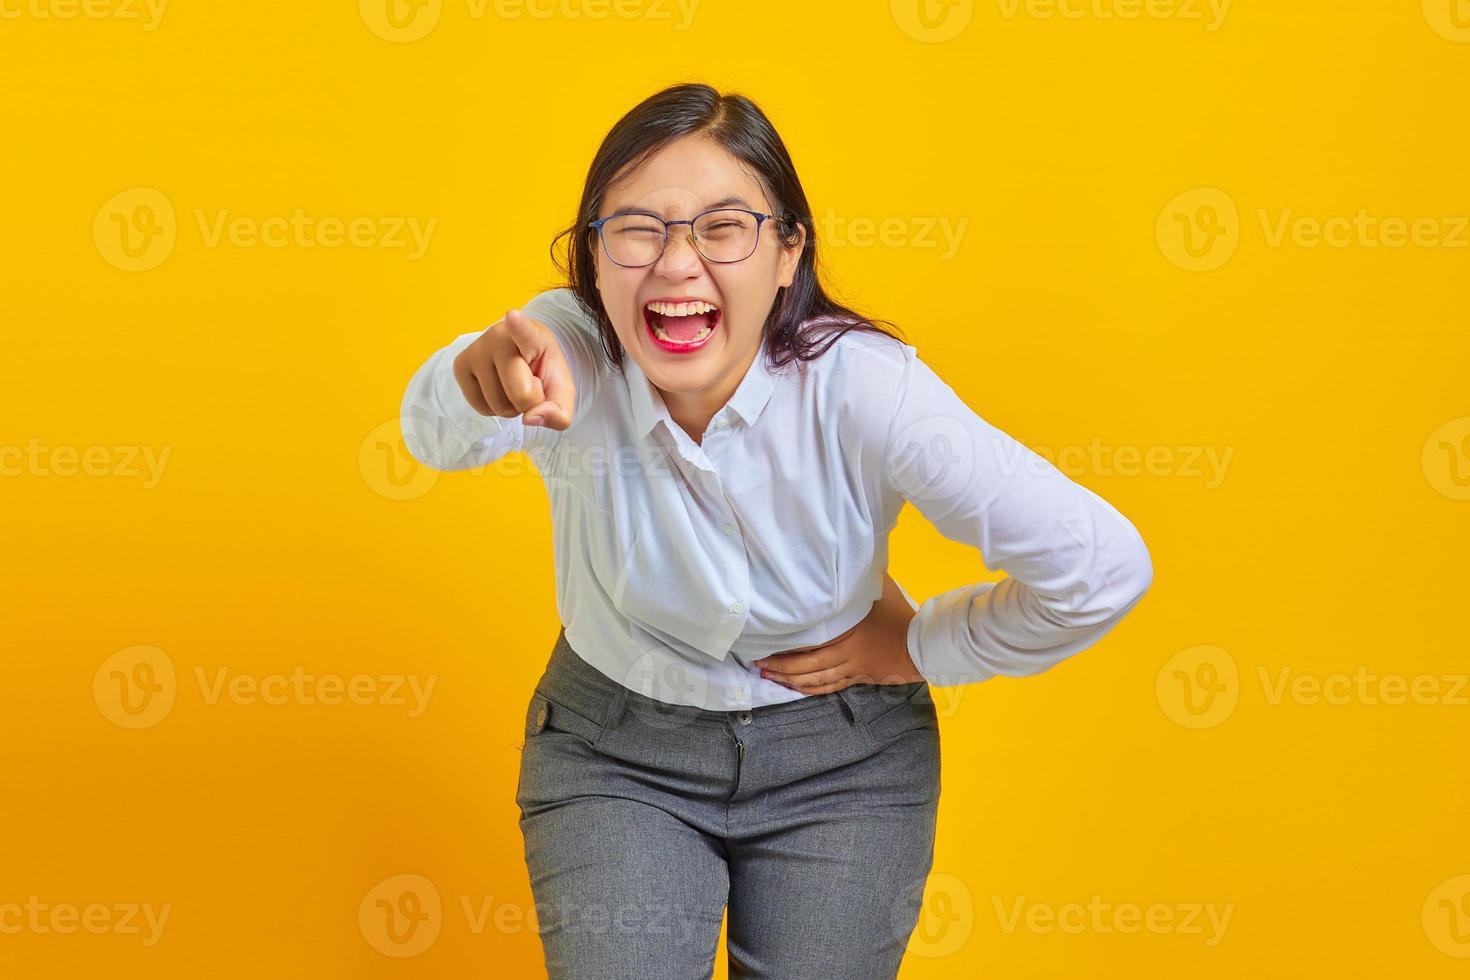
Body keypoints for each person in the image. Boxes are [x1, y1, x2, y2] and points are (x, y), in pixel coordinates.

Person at [400, 82, 1153, 980]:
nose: (678, 264)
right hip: (616, 755)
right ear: (595, 261)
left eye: (724, 227)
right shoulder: (571, 352)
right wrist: (473, 378)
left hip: (845, 768)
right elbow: (437, 428)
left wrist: (923, 645)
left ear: (788, 251)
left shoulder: (866, 389)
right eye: (637, 229)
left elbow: (1102, 567)